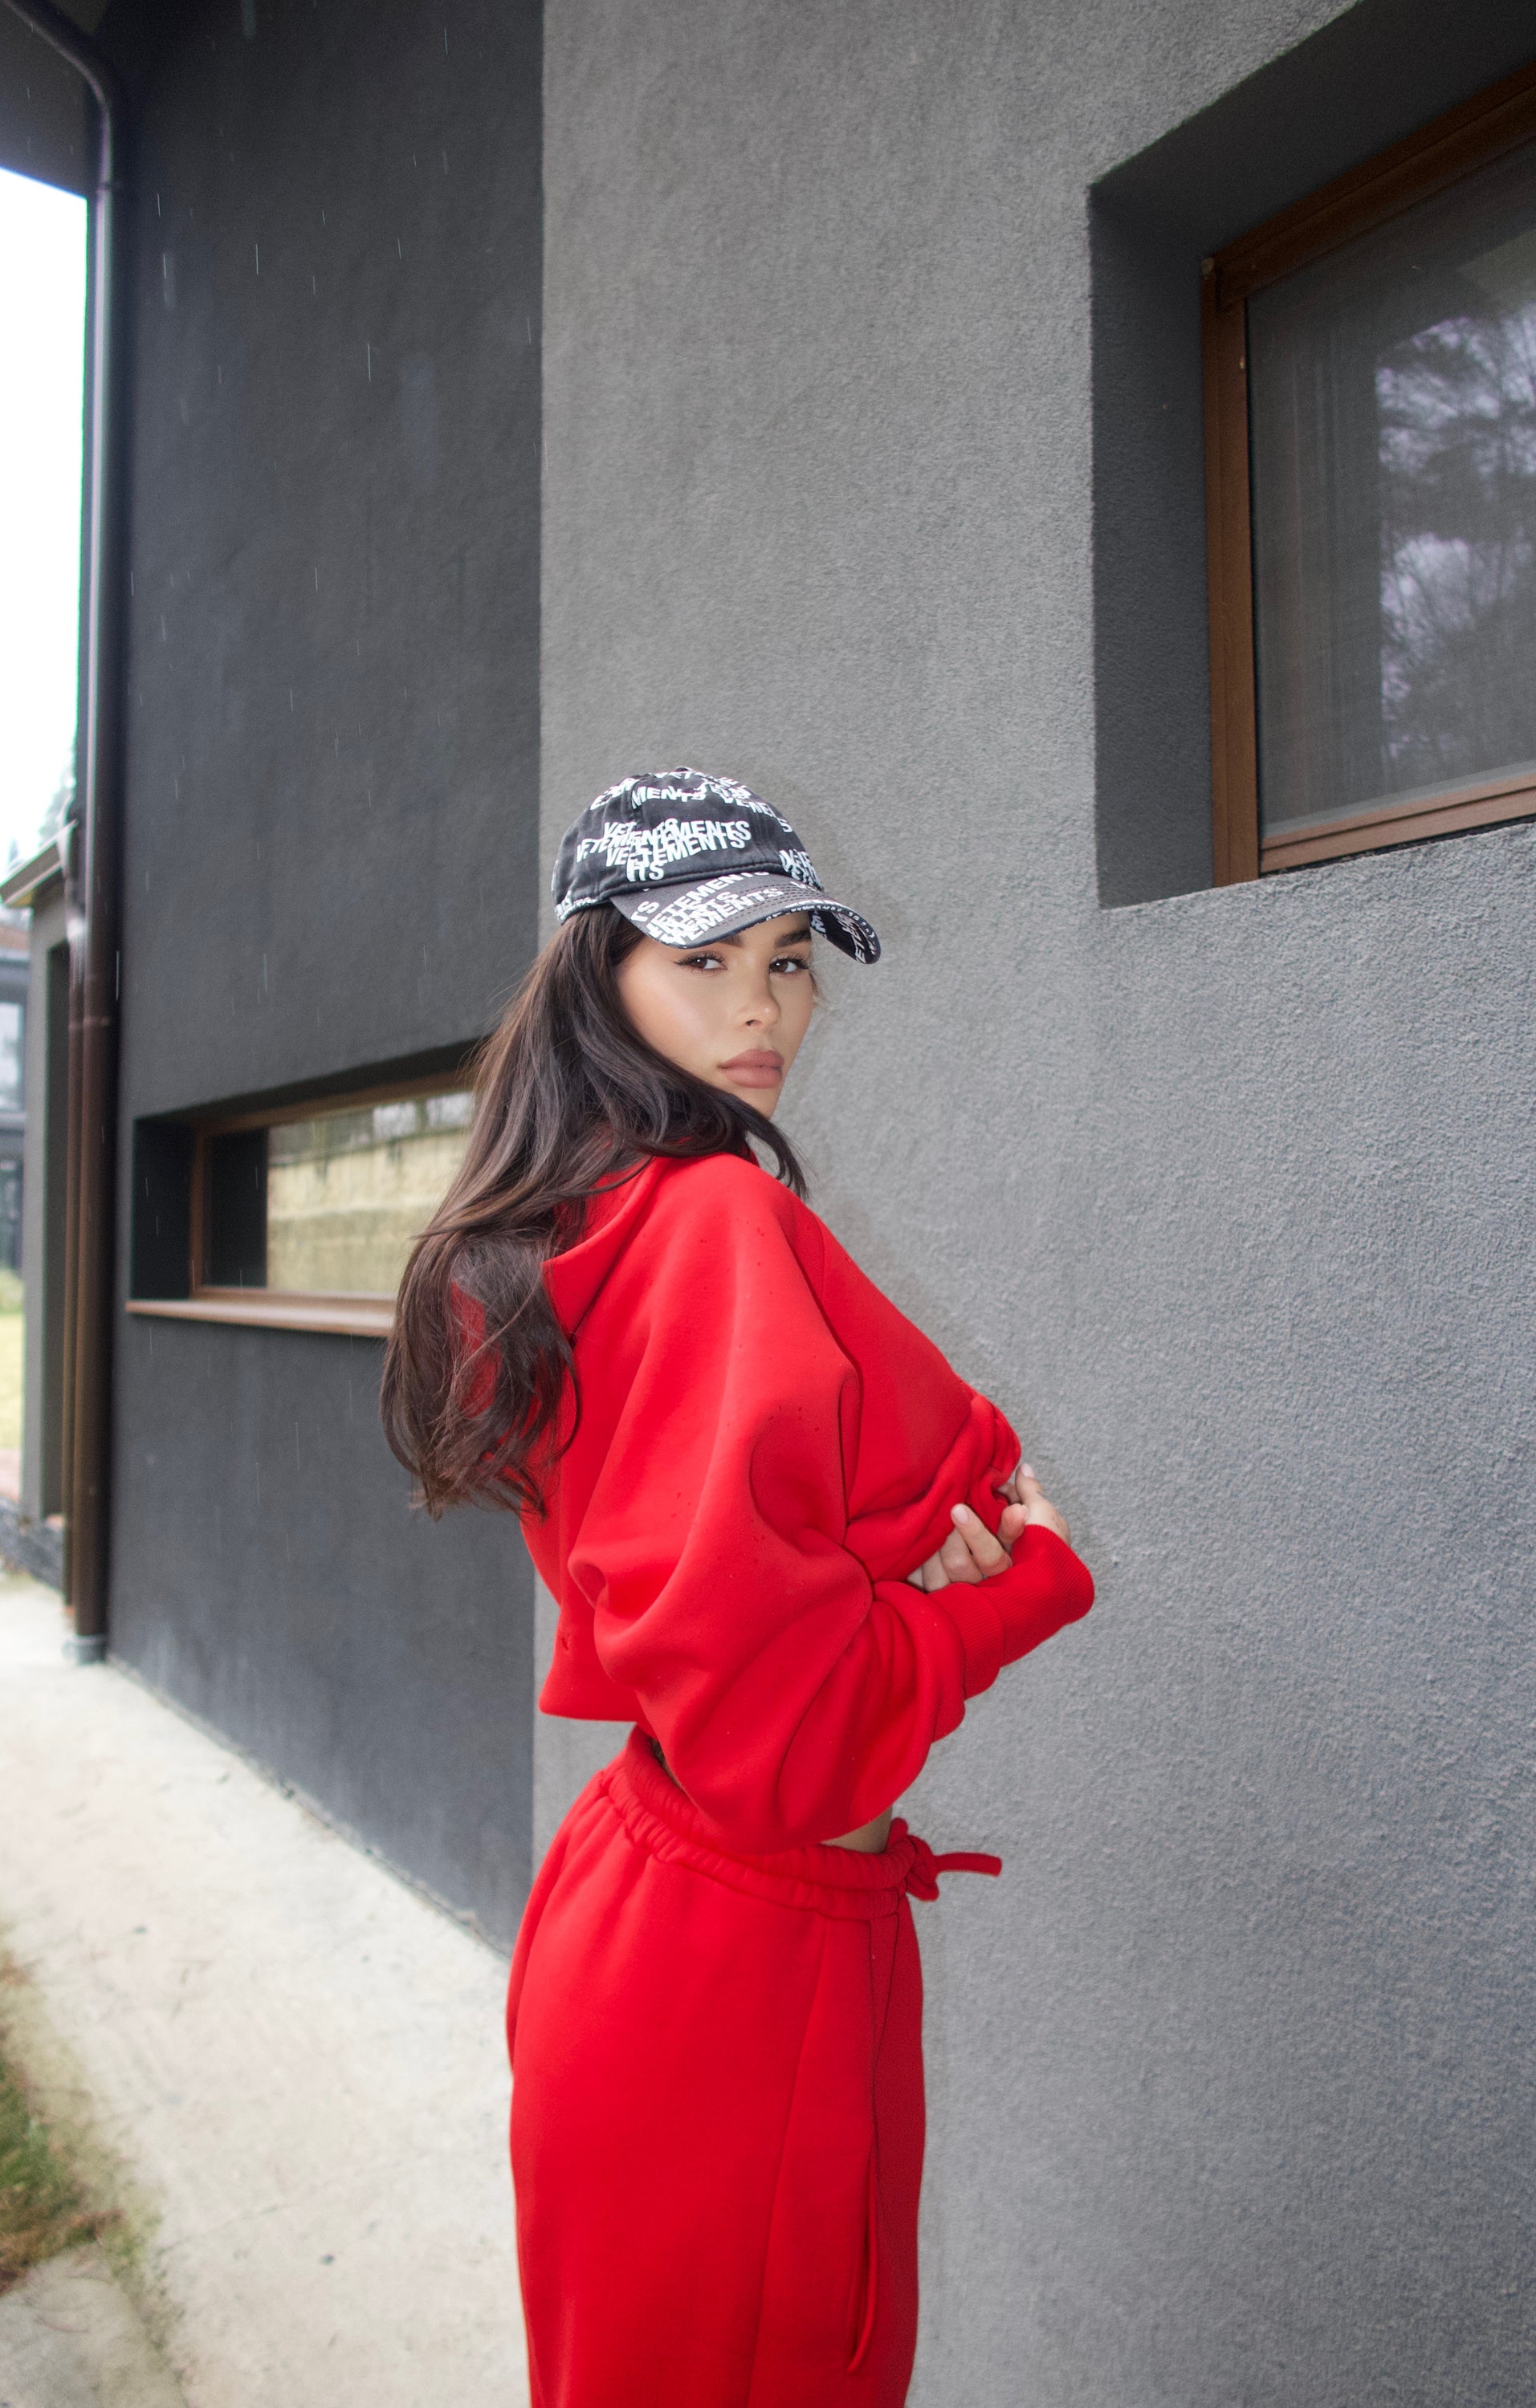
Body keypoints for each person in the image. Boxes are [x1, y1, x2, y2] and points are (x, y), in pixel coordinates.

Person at [381, 769, 1095, 2407]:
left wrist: (892, 1594)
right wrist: (1014, 1589)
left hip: (655, 1912)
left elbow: (731, 1633)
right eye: (704, 961)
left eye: (788, 958)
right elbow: (796, 1737)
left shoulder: (580, 1226)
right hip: (739, 1969)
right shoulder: (709, 1225)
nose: (765, 1004)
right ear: (598, 976)